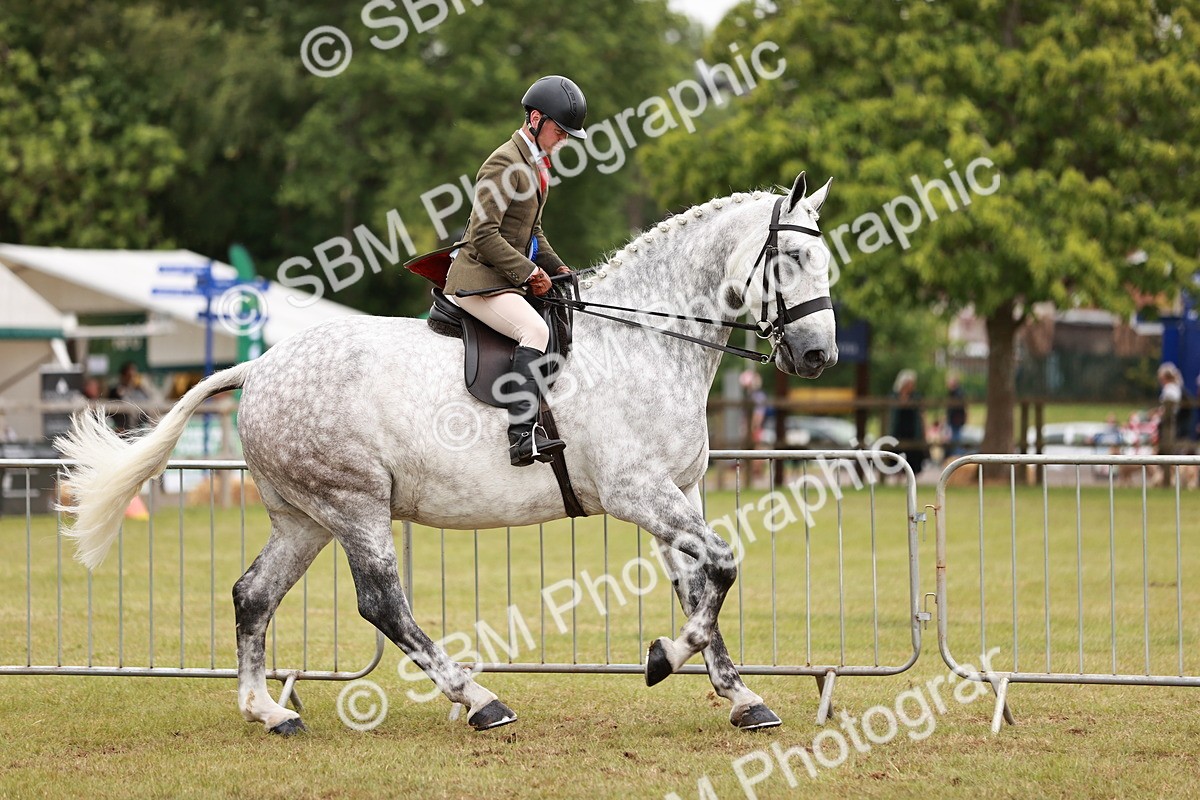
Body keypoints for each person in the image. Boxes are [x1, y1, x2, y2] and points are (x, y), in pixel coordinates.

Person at [444, 76, 587, 467]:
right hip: (477, 277)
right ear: (536, 119)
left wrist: (558, 269)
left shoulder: (535, 166)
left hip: (502, 276)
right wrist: (529, 274)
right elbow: (483, 234)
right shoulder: (504, 163)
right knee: (535, 330)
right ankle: (522, 435)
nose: (564, 141)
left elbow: (533, 232)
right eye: (561, 132)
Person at [888, 369, 928, 475]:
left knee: (912, 455)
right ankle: (898, 476)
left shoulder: (916, 396)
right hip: (898, 430)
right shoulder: (894, 396)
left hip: (912, 431)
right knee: (897, 453)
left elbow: (922, 414)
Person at [107, 361, 152, 433]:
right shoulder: (115, 391)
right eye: (129, 376)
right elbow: (109, 413)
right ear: (123, 376)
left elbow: (146, 411)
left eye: (134, 376)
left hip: (137, 431)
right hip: (121, 431)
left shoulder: (139, 392)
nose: (131, 379)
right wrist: (115, 427)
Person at [943, 372, 967, 458]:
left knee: (956, 440)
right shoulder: (954, 393)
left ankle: (957, 457)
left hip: (956, 421)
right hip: (955, 421)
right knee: (955, 439)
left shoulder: (957, 394)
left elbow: (956, 408)